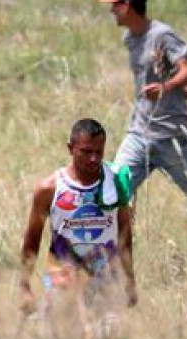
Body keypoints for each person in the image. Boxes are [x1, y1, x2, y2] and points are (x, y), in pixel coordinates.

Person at [99, 0, 187, 207]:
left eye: (115, 5)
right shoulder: (130, 38)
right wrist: (181, 90)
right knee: (112, 193)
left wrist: (166, 89)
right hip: (139, 132)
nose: (112, 11)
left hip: (170, 135)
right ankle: (115, 241)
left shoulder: (162, 35)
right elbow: (157, 73)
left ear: (128, 6)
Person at [18, 118, 137, 322]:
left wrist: (130, 279)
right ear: (70, 148)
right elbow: (32, 240)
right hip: (62, 280)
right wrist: (24, 286)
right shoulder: (50, 188)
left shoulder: (115, 183)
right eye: (86, 151)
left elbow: (124, 233)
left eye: (99, 152)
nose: (93, 159)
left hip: (106, 281)